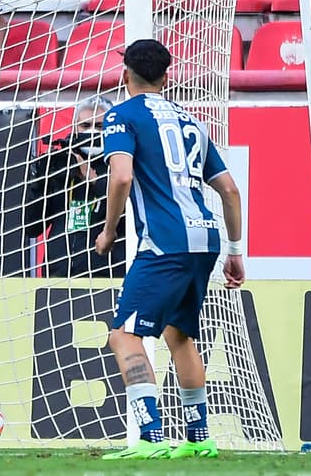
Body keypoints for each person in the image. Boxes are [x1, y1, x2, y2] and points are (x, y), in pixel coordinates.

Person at [93, 39, 245, 460]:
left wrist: (108, 232)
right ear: (166, 77)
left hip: (164, 241)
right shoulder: (191, 121)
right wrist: (234, 250)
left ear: (126, 76)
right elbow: (229, 190)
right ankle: (199, 438)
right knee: (180, 334)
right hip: (206, 239)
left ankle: (151, 437)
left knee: (124, 335)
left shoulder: (120, 116)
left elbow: (121, 177)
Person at [24, 96, 125, 278]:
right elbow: (32, 228)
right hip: (59, 275)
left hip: (108, 275)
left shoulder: (123, 165)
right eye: (85, 126)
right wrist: (38, 182)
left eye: (100, 126)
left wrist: (94, 180)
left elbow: (130, 214)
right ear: (74, 128)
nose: (92, 132)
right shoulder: (62, 162)